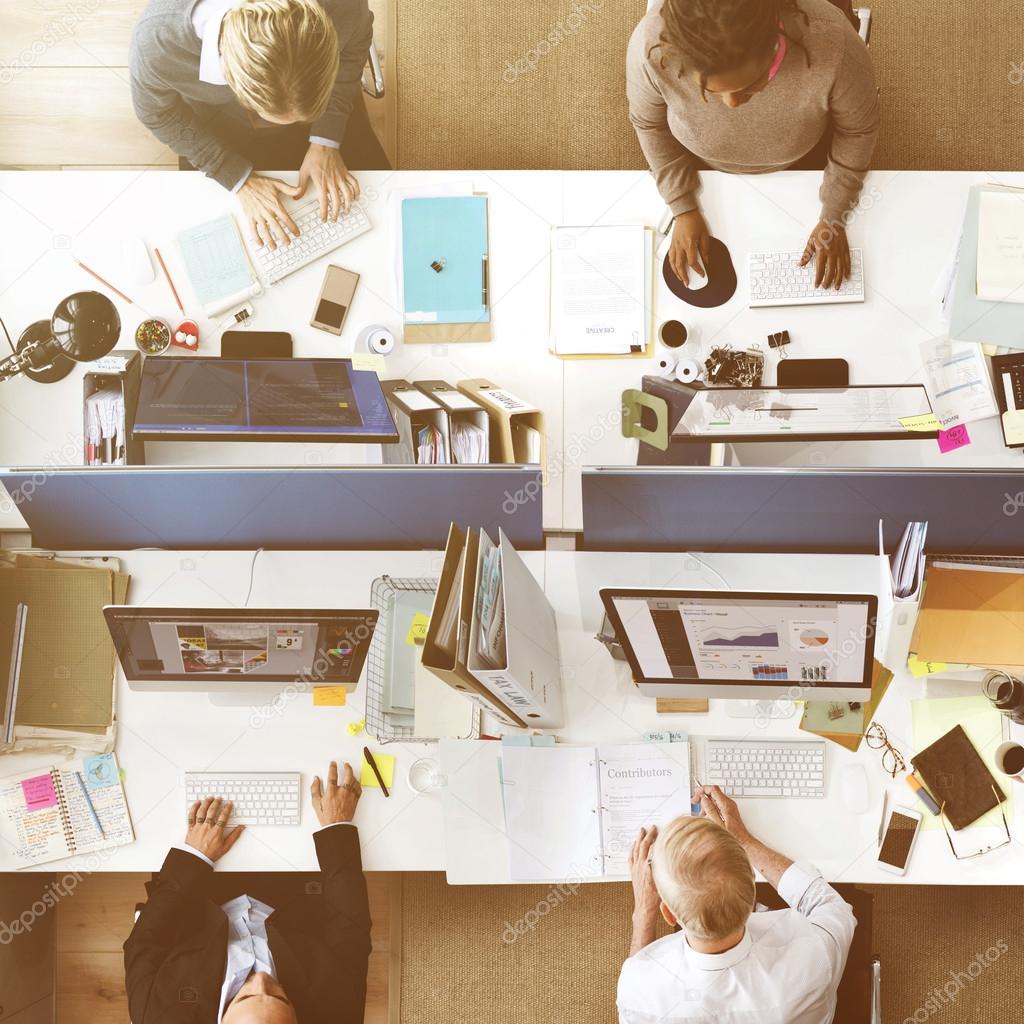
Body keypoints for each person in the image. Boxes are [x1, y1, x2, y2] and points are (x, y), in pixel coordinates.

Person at [627, 0, 879, 289]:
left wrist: (834, 214)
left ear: (775, 41)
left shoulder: (835, 44)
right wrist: (681, 206)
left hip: (804, 158)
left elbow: (858, 131)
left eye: (752, 84)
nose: (732, 105)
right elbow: (649, 124)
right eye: (708, 90)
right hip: (697, 162)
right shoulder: (650, 46)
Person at [124, 761, 370, 1024]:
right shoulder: (337, 1013)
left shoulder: (159, 1017)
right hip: (292, 887)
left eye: (244, 997)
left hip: (198, 892)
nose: (262, 980)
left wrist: (195, 856)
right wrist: (336, 827)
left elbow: (146, 943)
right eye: (280, 997)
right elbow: (349, 929)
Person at [130, 0, 390, 250]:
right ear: (230, 77)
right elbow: (157, 113)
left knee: (384, 212)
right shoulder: (158, 42)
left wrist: (325, 139)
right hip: (218, 126)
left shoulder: (343, 4)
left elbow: (356, 45)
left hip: (328, 106)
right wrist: (235, 176)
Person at [620, 785, 856, 1024]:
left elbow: (639, 984)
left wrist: (643, 911)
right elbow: (833, 909)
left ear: (668, 914)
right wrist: (744, 840)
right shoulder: (813, 959)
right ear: (752, 884)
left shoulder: (638, 993)